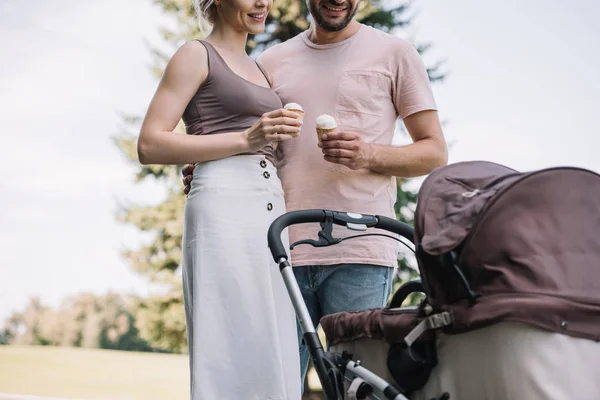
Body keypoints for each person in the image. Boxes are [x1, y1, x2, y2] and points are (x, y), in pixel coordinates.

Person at [182, 0, 448, 389]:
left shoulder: (396, 53)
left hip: (361, 249)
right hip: (279, 250)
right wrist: (215, 167)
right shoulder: (270, 61)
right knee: (275, 385)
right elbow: (255, 143)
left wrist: (368, 154)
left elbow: (434, 152)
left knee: (357, 387)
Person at [136, 0, 303, 398]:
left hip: (268, 207)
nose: (263, 3)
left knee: (271, 339)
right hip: (224, 204)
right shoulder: (196, 54)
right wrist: (247, 140)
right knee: (229, 341)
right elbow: (149, 144)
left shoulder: (260, 66)